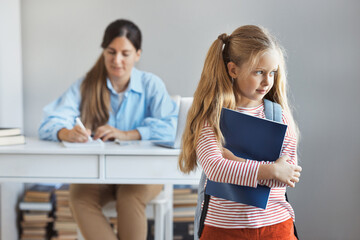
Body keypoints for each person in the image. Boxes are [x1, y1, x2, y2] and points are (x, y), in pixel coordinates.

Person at [39, 19, 178, 240]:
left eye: (125, 53)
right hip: (99, 173)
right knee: (78, 198)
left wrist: (128, 134)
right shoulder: (85, 85)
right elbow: (49, 122)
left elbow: (171, 129)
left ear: (138, 54)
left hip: (142, 173)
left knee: (129, 197)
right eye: (111, 52)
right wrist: (65, 133)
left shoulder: (152, 85)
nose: (117, 60)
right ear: (103, 52)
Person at [178, 25, 302, 240]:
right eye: (259, 72)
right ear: (233, 70)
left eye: (272, 72)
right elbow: (216, 169)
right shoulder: (212, 117)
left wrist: (238, 163)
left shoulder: (278, 115)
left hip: (276, 225)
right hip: (224, 228)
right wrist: (270, 171)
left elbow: (287, 175)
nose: (267, 81)